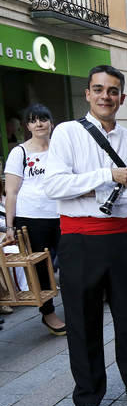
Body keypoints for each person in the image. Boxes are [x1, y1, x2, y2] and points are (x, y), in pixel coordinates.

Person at [44, 65, 127, 406]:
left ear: (121, 98)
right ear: (87, 94)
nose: (105, 96)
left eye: (112, 91)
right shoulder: (67, 133)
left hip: (121, 238)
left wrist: (93, 192)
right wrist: (106, 179)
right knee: (83, 323)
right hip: (79, 240)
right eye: (98, 89)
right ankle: (87, 400)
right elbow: (54, 186)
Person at [2, 103, 65, 333]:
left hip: (63, 214)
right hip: (31, 218)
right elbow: (11, 192)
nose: (39, 124)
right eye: (33, 120)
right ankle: (48, 313)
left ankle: (78, 304)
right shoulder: (20, 152)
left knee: (71, 261)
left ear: (51, 122)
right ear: (28, 126)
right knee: (40, 267)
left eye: (43, 119)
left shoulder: (60, 149)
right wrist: (9, 227)